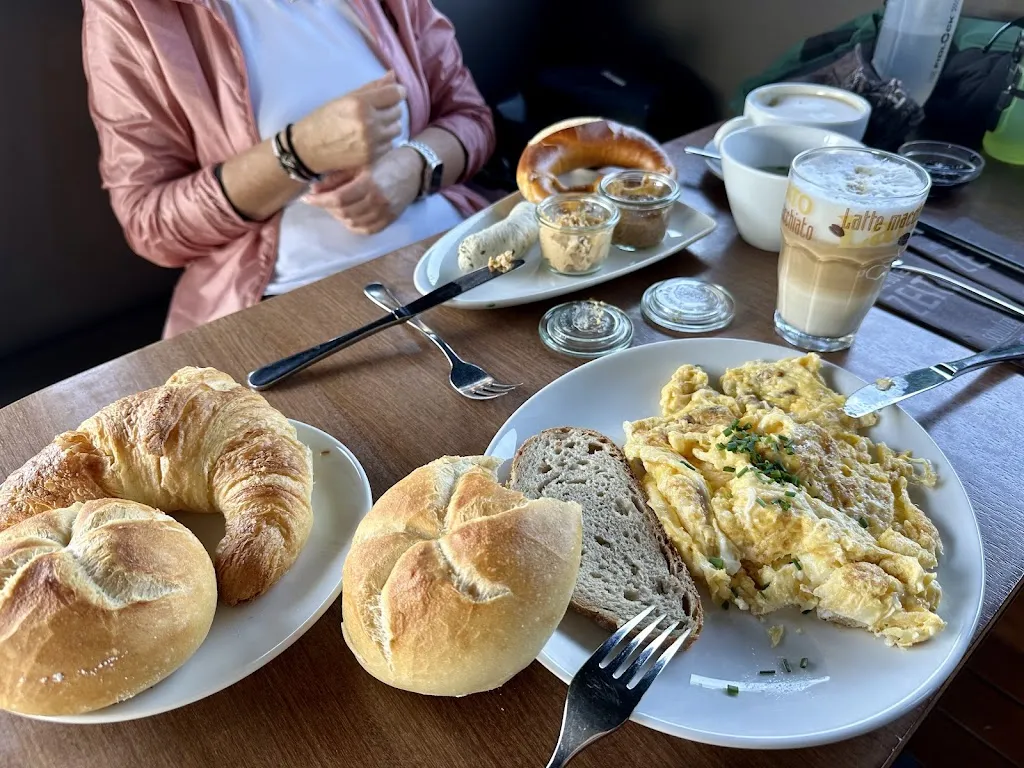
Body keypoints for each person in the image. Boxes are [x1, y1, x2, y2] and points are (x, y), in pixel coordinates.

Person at [82, 0, 495, 337]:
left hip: (455, 255)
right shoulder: (133, 10)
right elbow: (149, 222)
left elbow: (470, 116)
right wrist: (297, 153)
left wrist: (414, 167)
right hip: (293, 302)